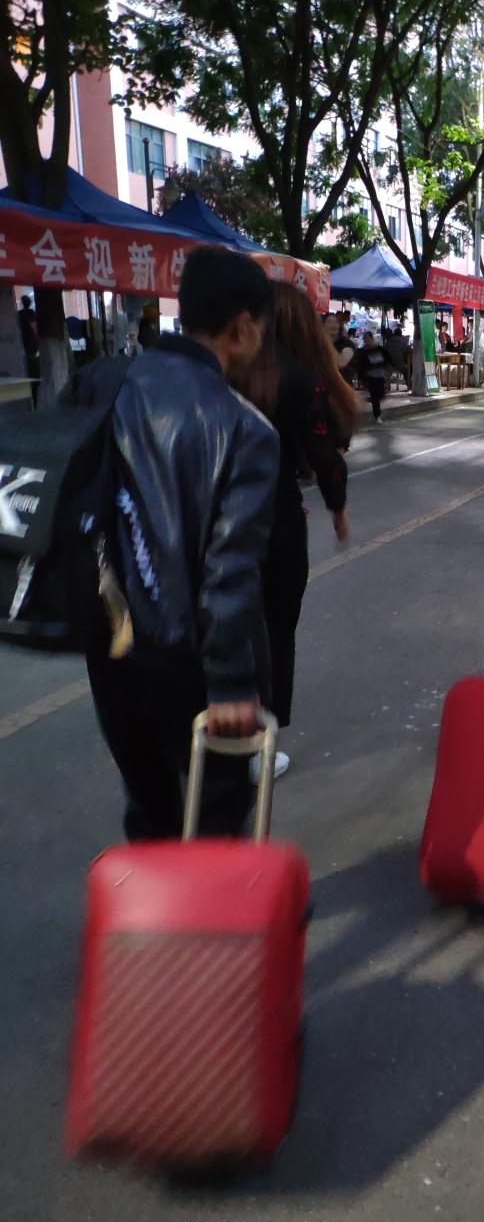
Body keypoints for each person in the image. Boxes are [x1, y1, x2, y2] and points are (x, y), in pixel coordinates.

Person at [85, 247, 279, 841]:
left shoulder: (107, 383)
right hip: (189, 664)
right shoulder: (243, 427)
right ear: (242, 329)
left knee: (149, 810)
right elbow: (229, 568)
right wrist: (230, 682)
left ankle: (150, 904)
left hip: (110, 644)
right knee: (215, 818)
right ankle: (211, 905)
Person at [235, 283, 356, 778]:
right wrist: (338, 509)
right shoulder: (301, 377)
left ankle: (216, 739)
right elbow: (325, 454)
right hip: (277, 521)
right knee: (277, 633)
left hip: (218, 519)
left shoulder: (228, 366)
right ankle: (260, 749)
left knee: (228, 627)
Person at [355, 329, 391, 423]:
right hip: (370, 376)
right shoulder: (362, 351)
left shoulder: (380, 349)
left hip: (380, 375)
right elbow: (360, 365)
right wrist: (361, 378)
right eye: (364, 339)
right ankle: (377, 415)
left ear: (371, 338)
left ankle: (376, 407)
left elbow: (387, 359)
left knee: (379, 394)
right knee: (375, 396)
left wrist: (387, 369)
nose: (366, 341)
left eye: (367, 338)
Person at [385, 323, 411, 389]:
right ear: (401, 334)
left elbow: (384, 350)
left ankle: (387, 385)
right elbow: (409, 350)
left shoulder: (388, 342)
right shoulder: (403, 342)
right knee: (407, 370)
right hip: (399, 364)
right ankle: (409, 385)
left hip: (389, 364)